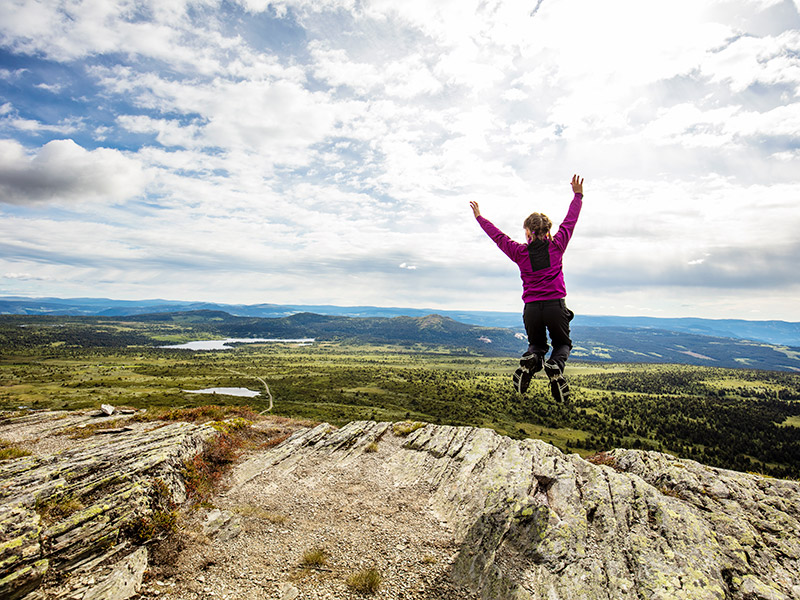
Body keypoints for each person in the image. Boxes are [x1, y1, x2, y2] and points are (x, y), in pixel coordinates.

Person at [469, 174, 584, 400]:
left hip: (531, 309)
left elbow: (498, 237)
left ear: (528, 232)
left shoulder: (519, 252)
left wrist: (480, 218)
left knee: (537, 345)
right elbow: (570, 221)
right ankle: (555, 367)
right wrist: (577, 195)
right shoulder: (557, 245)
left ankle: (532, 362)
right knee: (562, 343)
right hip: (555, 307)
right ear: (548, 231)